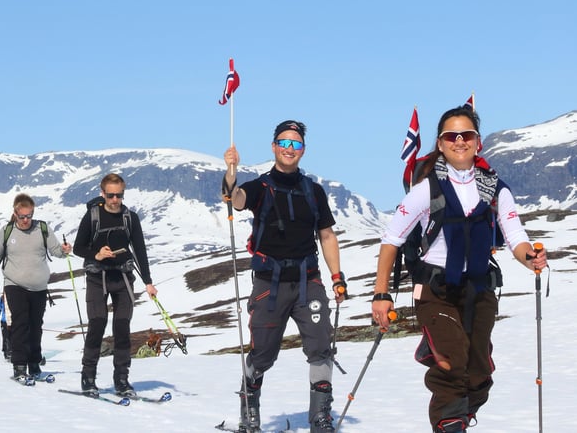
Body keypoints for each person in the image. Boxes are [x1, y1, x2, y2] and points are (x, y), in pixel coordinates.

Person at [371, 106, 547, 432]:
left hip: (479, 290)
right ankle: (449, 424)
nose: (460, 141)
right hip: (436, 291)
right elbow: (391, 239)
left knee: (478, 374)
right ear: (440, 143)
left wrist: (530, 258)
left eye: (467, 135)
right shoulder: (426, 189)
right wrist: (381, 293)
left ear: (478, 142)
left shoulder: (496, 189)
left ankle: (460, 417)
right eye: (452, 136)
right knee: (452, 363)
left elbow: (515, 236)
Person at [222, 120, 346, 433]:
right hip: (269, 285)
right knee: (263, 353)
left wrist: (337, 277)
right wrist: (231, 172)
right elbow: (233, 199)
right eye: (284, 143)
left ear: (303, 150)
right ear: (274, 146)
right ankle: (249, 413)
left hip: (309, 282)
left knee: (320, 347)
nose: (290, 149)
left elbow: (327, 236)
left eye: (296, 144)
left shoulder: (313, 191)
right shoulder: (259, 187)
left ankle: (320, 416)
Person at [72, 173, 158, 397]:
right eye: (110, 195)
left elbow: (140, 251)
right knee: (97, 323)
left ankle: (121, 379)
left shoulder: (131, 218)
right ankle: (88, 377)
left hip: (122, 277)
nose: (114, 200)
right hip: (96, 276)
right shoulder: (92, 216)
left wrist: (148, 282)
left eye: (119, 195)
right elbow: (78, 248)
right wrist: (97, 255)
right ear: (103, 194)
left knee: (122, 327)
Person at [0, 193, 71, 381]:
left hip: (39, 287)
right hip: (14, 284)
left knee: (36, 326)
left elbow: (56, 251)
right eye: (22, 216)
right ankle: (19, 365)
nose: (25, 220)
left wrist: (64, 251)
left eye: (29, 216)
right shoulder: (6, 231)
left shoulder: (42, 229)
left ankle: (34, 363)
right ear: (15, 214)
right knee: (20, 323)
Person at [0, 292, 12, 360]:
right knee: (5, 337)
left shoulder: (13, 298)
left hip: (12, 321)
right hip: (4, 321)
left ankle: (11, 352)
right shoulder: (1, 299)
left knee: (12, 337)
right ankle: (6, 353)